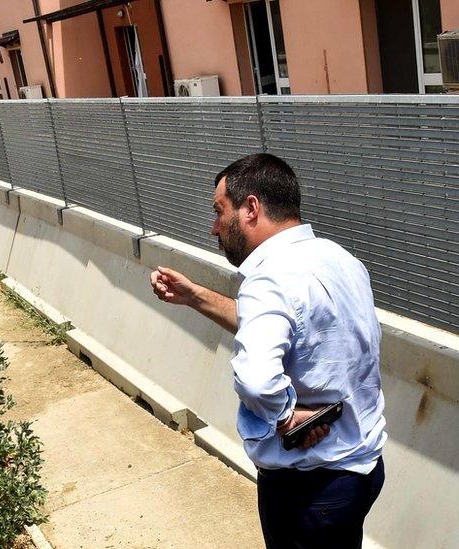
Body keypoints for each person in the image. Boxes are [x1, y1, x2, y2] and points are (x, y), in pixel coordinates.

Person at [149, 153, 386, 548]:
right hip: (360, 469)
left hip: (309, 488)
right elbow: (288, 330)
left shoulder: (269, 278)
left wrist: (285, 415)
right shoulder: (339, 258)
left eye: (219, 211)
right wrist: (196, 297)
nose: (214, 228)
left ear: (251, 209)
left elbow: (257, 379)